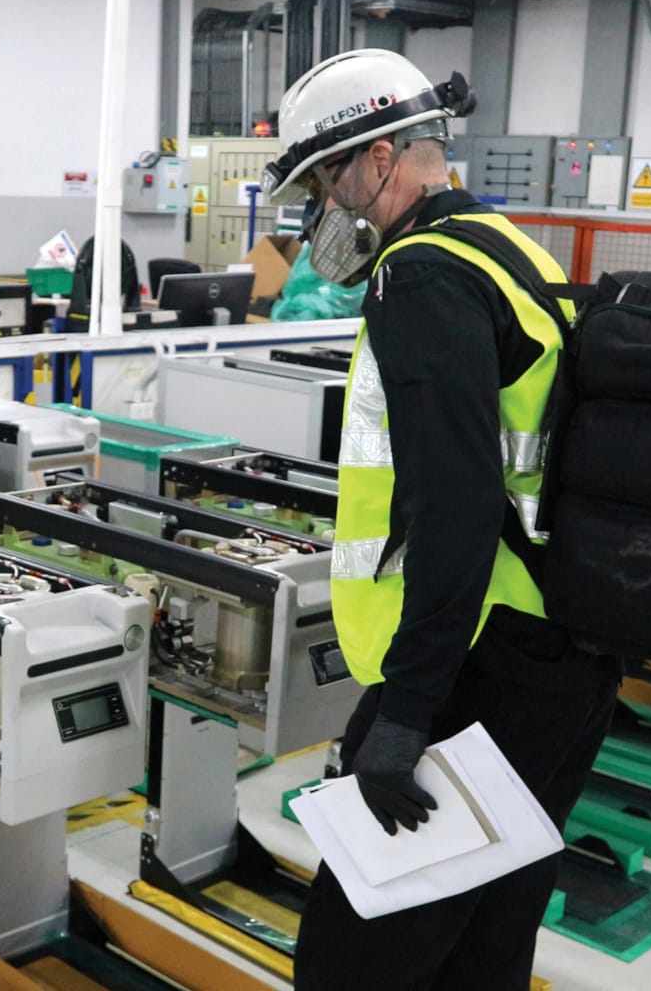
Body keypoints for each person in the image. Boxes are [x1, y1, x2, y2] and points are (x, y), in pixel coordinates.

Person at [261, 50, 620, 988]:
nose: (324, 210)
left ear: (380, 158)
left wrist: (405, 717)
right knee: (486, 949)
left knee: (355, 964)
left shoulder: (415, 275)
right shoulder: (508, 250)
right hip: (558, 652)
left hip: (474, 670)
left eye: (328, 179)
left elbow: (454, 511)